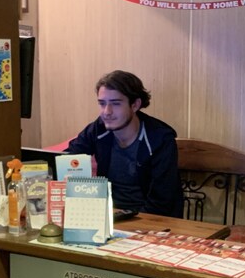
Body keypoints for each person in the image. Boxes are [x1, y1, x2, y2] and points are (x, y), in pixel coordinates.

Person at [67, 70, 183, 217]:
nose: (106, 112)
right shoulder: (98, 128)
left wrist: (123, 221)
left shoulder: (160, 139)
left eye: (115, 104)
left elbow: (161, 202)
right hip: (109, 215)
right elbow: (67, 157)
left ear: (135, 105)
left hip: (151, 219)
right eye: (102, 103)